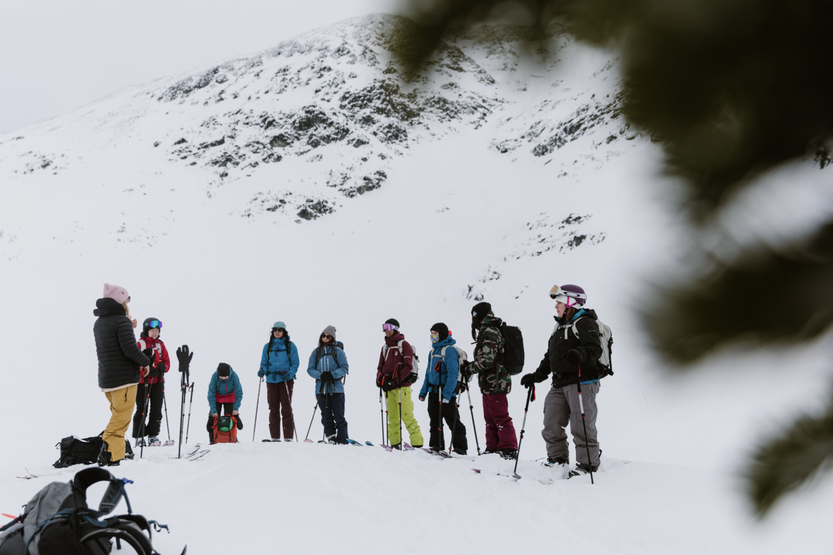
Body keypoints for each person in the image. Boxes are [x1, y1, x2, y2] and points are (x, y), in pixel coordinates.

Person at [520, 284, 603, 474]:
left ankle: (587, 465)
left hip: (582, 382)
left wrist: (579, 354)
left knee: (581, 425)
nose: (556, 306)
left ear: (570, 302)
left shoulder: (584, 322)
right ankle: (557, 460)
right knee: (551, 423)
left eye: (559, 302)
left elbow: (594, 349)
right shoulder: (559, 326)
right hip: (559, 383)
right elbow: (551, 356)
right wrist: (537, 376)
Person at [93, 283, 150, 467]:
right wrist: (145, 361)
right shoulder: (121, 321)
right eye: (127, 299)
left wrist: (127, 325)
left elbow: (115, 346)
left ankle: (116, 452)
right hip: (123, 380)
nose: (128, 302)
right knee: (120, 419)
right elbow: (129, 349)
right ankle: (110, 454)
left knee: (118, 415)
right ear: (120, 301)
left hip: (108, 380)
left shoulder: (101, 322)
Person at [467, 302, 518, 460]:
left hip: (496, 382)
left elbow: (488, 359)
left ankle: (508, 448)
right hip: (488, 383)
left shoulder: (490, 331)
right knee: (489, 417)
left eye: (473, 316)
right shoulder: (486, 330)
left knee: (500, 416)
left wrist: (469, 368)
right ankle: (493, 448)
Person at [418, 323, 467, 455]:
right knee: (434, 420)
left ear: (442, 334)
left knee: (453, 420)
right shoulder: (433, 351)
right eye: (432, 333)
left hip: (445, 391)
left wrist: (448, 393)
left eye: (435, 333)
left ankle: (460, 449)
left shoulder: (449, 350)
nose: (432, 336)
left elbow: (453, 373)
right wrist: (423, 391)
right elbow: (428, 374)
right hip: (433, 392)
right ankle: (436, 445)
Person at [376, 318, 424, 449]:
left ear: (395, 328)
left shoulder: (404, 345)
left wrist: (395, 381)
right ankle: (395, 444)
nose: (385, 330)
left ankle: (417, 444)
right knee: (392, 417)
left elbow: (407, 367)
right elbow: (380, 366)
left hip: (402, 387)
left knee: (407, 415)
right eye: (384, 327)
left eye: (388, 327)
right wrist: (379, 379)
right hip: (389, 388)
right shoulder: (385, 348)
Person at [306, 326, 349, 444]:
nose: (325, 338)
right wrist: (320, 375)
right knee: (325, 415)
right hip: (321, 389)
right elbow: (310, 369)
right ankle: (331, 437)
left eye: (328, 336)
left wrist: (332, 375)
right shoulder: (316, 352)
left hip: (336, 389)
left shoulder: (338, 352)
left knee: (339, 415)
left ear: (333, 338)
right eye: (323, 336)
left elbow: (345, 368)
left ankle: (342, 438)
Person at [132, 317, 171, 447]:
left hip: (158, 381)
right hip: (143, 382)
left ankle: (153, 435)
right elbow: (133, 363)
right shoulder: (140, 344)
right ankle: (140, 436)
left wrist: (162, 368)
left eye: (156, 330)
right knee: (142, 409)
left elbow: (167, 362)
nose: (154, 333)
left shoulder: (160, 345)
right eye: (152, 330)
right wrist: (144, 369)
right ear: (146, 330)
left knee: (156, 409)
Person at [258, 321, 300, 441]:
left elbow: (295, 363)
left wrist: (290, 374)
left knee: (286, 408)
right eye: (275, 330)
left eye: (279, 330)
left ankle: (288, 437)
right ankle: (275, 437)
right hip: (271, 379)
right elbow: (264, 363)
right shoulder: (268, 346)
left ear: (284, 332)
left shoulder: (290, 346)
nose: (277, 332)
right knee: (273, 408)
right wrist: (262, 370)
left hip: (286, 380)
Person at [207, 363, 244, 444]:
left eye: (225, 377)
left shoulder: (234, 376)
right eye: (221, 377)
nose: (223, 378)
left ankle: (232, 438)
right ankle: (213, 439)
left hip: (230, 397)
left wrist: (235, 408)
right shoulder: (214, 377)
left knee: (231, 418)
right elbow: (211, 394)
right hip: (217, 397)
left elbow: (239, 393)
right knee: (213, 419)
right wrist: (213, 411)